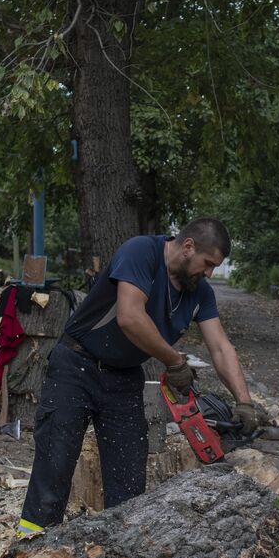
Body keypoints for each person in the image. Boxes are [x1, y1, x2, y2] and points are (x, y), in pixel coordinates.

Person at [17, 218, 258, 535]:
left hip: (124, 378)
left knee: (129, 482)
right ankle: (29, 550)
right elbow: (130, 316)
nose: (210, 273)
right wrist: (175, 361)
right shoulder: (141, 252)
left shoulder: (199, 293)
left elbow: (220, 347)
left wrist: (245, 402)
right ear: (188, 247)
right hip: (76, 366)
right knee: (54, 466)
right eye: (208, 263)